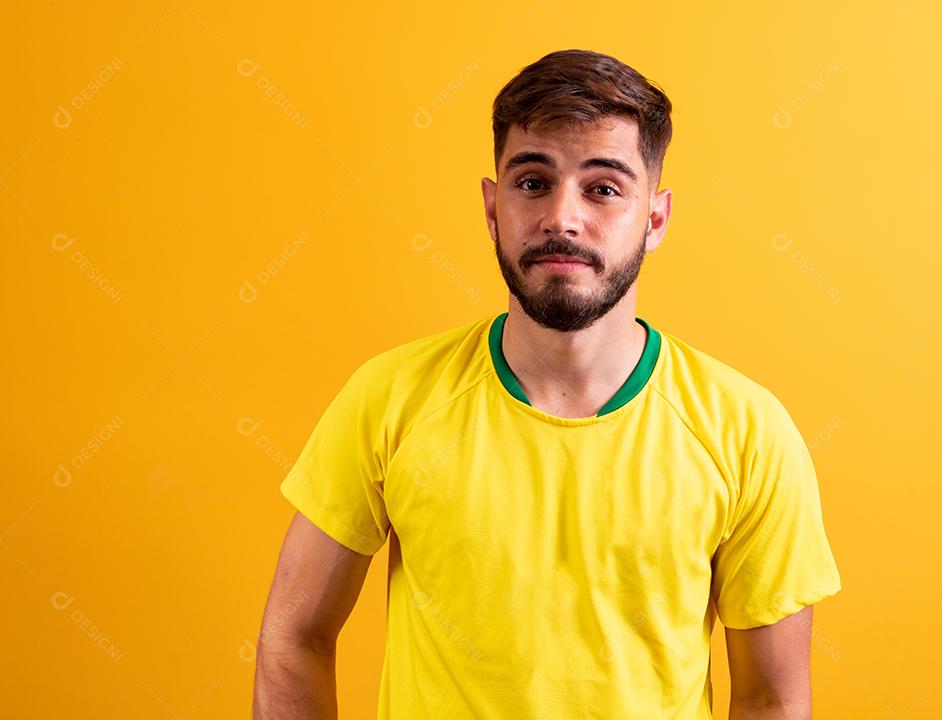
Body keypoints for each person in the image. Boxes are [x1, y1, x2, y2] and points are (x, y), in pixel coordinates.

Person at [253, 48, 841, 720]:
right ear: (491, 205)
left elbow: (771, 697)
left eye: (604, 187)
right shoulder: (389, 398)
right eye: (532, 181)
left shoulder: (748, 432)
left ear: (655, 217)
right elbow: (294, 636)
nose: (563, 217)